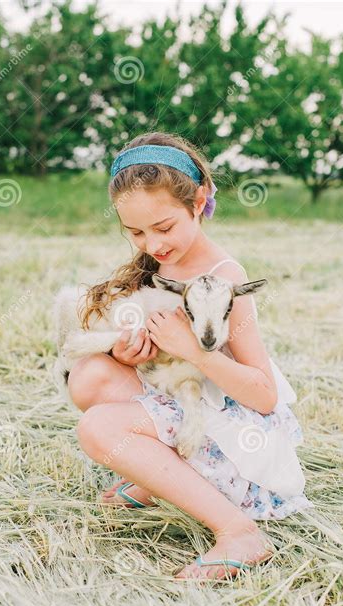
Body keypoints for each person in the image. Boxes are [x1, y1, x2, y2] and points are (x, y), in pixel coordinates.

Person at [68, 131, 313, 581]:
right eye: (136, 232)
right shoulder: (163, 265)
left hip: (232, 432)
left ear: (199, 202)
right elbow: (161, 366)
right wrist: (130, 354)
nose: (152, 244)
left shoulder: (225, 278)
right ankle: (157, 477)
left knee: (98, 429)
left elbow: (264, 395)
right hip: (189, 401)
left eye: (163, 228)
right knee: (89, 376)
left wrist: (193, 351)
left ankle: (239, 532)